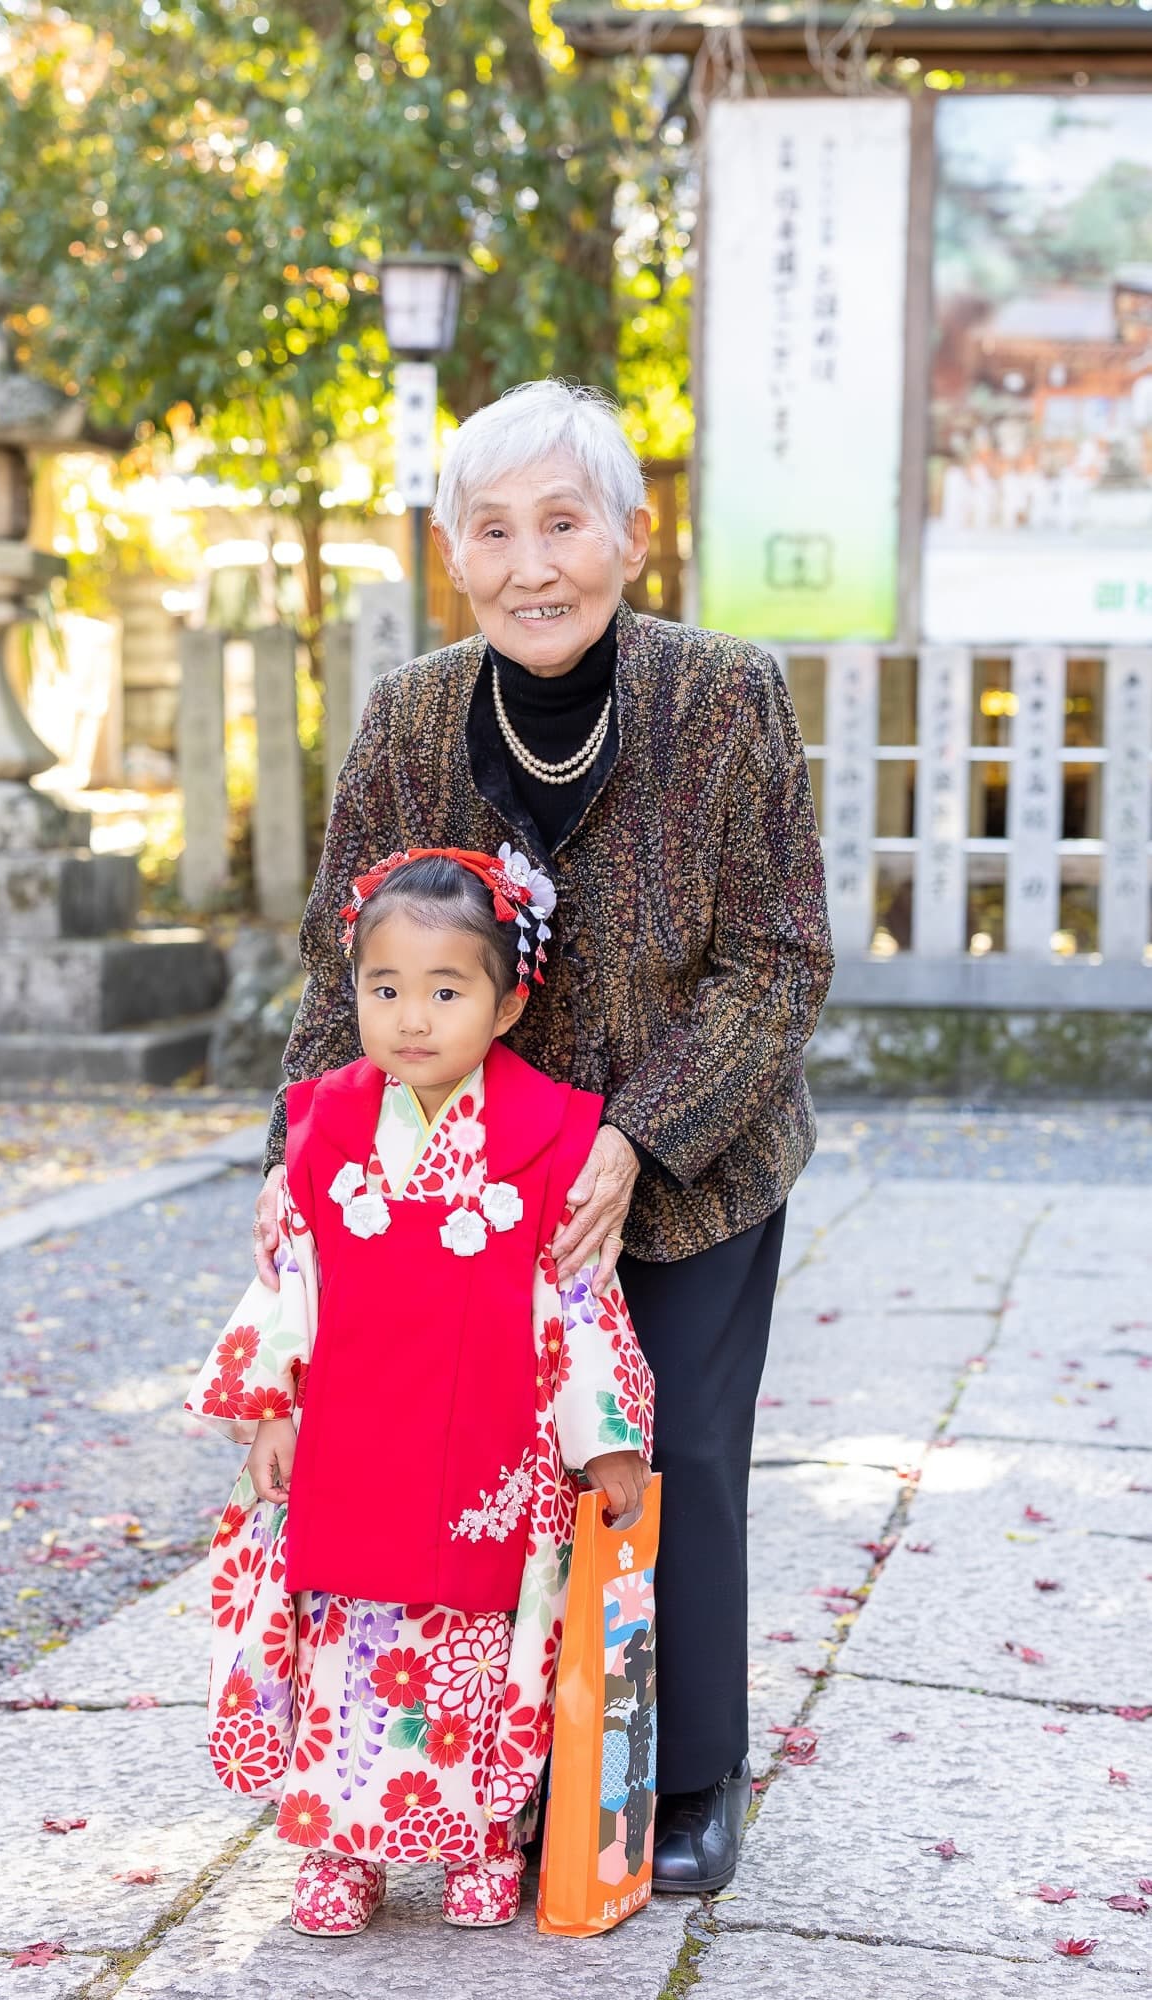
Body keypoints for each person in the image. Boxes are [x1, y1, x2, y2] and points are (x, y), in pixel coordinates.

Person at [253, 380, 834, 1895]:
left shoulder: (727, 697)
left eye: (563, 524)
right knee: (489, 1466)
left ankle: (683, 1774)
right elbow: (342, 960)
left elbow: (778, 957)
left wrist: (638, 1138)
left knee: (667, 1455)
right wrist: (291, 1171)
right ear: (455, 554)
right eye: (494, 531)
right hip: (461, 1182)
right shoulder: (406, 714)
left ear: (630, 540)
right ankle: (498, 1769)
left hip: (684, 1167)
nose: (532, 565)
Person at [184, 847, 655, 1937]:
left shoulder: (551, 1132)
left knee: (481, 1647)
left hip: (490, 1446)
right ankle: (342, 1846)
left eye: (446, 990)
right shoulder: (324, 1123)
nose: (410, 1017)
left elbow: (578, 1301)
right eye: (382, 987)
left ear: (507, 1001)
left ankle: (480, 1836)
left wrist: (608, 1441)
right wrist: (272, 1405)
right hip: (353, 1441)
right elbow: (286, 1277)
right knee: (345, 1644)